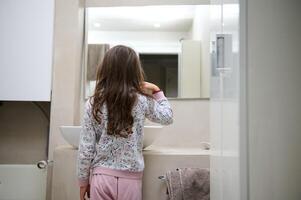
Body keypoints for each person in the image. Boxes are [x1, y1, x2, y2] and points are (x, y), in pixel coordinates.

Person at [77, 45, 173, 200]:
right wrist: (156, 91)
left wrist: (83, 181)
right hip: (131, 178)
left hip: (101, 177)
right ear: (135, 71)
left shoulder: (94, 102)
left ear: (105, 69)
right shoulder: (141, 100)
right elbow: (167, 117)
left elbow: (86, 148)